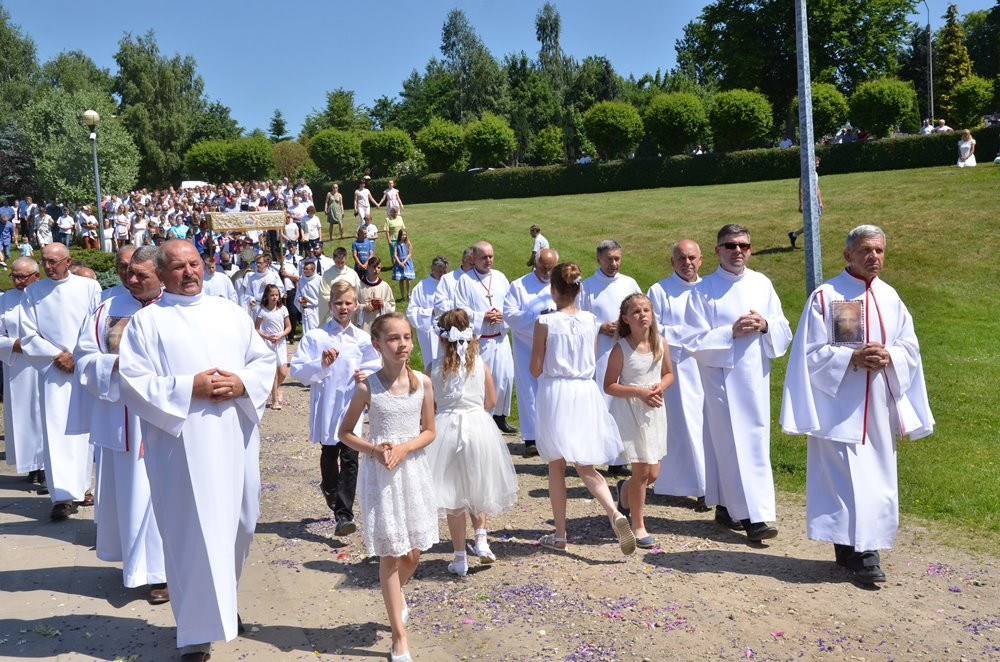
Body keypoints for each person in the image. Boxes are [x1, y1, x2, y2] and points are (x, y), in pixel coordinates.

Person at [118, 239, 276, 661]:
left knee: (243, 521)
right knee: (191, 533)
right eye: (179, 267)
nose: (190, 273)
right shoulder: (147, 323)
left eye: (195, 264)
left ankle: (223, 604)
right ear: (163, 274)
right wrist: (191, 387)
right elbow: (133, 383)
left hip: (234, 436)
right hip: (181, 447)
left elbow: (262, 360)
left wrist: (242, 383)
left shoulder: (229, 312)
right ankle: (194, 633)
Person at [780, 225, 934, 585]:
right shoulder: (830, 296)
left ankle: (861, 547)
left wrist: (889, 355)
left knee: (874, 480)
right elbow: (812, 355)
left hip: (878, 407)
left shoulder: (891, 297)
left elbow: (910, 348)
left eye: (879, 251)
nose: (874, 257)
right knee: (844, 481)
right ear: (848, 254)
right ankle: (859, 552)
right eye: (866, 250)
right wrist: (852, 359)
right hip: (839, 408)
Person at [338, 312, 438, 662]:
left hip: (412, 472)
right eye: (394, 338)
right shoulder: (368, 386)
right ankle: (400, 637)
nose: (403, 344)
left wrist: (406, 447)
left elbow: (429, 430)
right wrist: (374, 449)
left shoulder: (422, 382)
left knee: (413, 552)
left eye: (407, 337)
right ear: (377, 344)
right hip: (381, 477)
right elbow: (345, 433)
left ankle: (396, 597)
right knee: (391, 554)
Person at [684, 224, 792, 542]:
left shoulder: (762, 283)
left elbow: (783, 326)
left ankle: (728, 507)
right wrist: (728, 332)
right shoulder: (702, 291)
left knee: (753, 444)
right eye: (730, 245)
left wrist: (766, 324)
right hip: (721, 378)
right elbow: (692, 339)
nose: (738, 251)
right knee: (731, 445)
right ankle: (753, 518)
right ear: (717, 250)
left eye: (744, 245)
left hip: (755, 377)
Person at [72, 246, 167, 601]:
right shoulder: (106, 310)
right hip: (124, 415)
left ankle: (162, 572)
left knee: (165, 492)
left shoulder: (177, 308)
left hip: (166, 414)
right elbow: (84, 357)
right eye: (126, 271)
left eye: (138, 272)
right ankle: (139, 564)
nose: (130, 279)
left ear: (160, 272)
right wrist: (115, 366)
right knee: (133, 492)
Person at [530, 262, 634, 556]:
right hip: (585, 390)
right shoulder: (591, 320)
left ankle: (561, 533)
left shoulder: (545, 323)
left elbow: (535, 368)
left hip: (557, 391)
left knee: (556, 464)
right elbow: (590, 355)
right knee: (585, 465)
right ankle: (614, 513)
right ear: (578, 289)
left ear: (553, 290)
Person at [425, 309, 518, 576]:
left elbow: (428, 406)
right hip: (478, 427)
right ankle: (482, 541)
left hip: (447, 429)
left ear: (441, 339)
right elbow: (491, 401)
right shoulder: (480, 364)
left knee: (453, 493)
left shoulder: (433, 368)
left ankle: (459, 557)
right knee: (478, 484)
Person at [291, 280, 381, 535]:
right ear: (330, 305)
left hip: (351, 404)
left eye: (348, 303)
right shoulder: (316, 337)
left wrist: (364, 374)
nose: (343, 308)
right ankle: (329, 488)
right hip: (329, 403)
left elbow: (375, 365)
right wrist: (321, 363)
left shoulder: (362, 338)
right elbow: (297, 369)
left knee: (351, 458)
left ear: (355, 306)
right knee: (330, 455)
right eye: (338, 303)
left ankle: (344, 515)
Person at [20, 243, 102, 520]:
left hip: (83, 366)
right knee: (57, 433)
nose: (48, 266)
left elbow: (96, 325)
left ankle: (85, 487)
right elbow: (28, 333)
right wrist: (56, 355)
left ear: (67, 261)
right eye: (44, 261)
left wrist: (78, 356)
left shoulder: (88, 287)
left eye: (54, 261)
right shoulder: (33, 291)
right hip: (54, 368)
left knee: (86, 431)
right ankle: (63, 496)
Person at [604, 293, 673, 549]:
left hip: (653, 411)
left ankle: (624, 492)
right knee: (642, 470)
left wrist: (658, 388)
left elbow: (668, 374)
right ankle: (638, 525)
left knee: (652, 473)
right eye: (636, 312)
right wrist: (639, 392)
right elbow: (609, 385)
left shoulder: (660, 343)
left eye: (646, 310)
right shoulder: (621, 348)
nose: (642, 315)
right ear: (625, 318)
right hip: (630, 411)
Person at [647, 240, 709, 510]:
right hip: (678, 368)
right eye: (681, 258)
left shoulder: (710, 289)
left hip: (709, 367)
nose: (688, 263)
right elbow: (653, 329)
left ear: (701, 260)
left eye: (692, 258)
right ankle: (692, 486)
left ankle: (711, 484)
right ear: (672, 262)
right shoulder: (659, 290)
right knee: (685, 427)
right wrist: (689, 335)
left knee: (710, 426)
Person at [579, 239, 641, 477]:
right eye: (609, 259)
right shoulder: (586, 287)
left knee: (624, 404)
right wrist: (599, 326)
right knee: (603, 403)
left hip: (626, 350)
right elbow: (578, 318)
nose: (614, 263)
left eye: (617, 258)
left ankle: (620, 458)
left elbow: (641, 309)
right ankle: (599, 454)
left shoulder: (629, 283)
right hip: (601, 352)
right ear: (598, 259)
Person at [453, 241, 517, 434]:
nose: (488, 260)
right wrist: (482, 316)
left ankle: (500, 417)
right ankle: (483, 418)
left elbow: (510, 303)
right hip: (481, 340)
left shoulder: (500, 277)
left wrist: (502, 315)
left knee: (505, 377)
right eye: (484, 257)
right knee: (482, 380)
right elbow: (460, 308)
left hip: (501, 337)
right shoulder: (465, 281)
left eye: (491, 256)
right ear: (474, 258)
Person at [503, 247, 557, 457]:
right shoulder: (519, 286)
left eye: (551, 268)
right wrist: (538, 317)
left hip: (554, 346)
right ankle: (532, 437)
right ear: (535, 263)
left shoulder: (560, 283)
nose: (547, 272)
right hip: (527, 345)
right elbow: (510, 314)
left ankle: (553, 435)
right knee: (529, 390)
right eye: (543, 267)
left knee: (554, 390)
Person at [0, 257, 45, 489]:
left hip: (47, 366)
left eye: (22, 277)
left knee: (45, 415)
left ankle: (47, 467)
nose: (17, 281)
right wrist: (12, 345)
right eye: (14, 276)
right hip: (17, 365)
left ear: (36, 276)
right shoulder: (5, 299)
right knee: (23, 415)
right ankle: (31, 463)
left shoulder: (46, 297)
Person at [406, 256, 450, 369]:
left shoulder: (450, 284)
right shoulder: (421, 287)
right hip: (430, 332)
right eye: (440, 271)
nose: (443, 274)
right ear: (432, 269)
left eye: (445, 271)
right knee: (433, 365)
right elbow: (411, 311)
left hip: (449, 331)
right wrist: (430, 312)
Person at [255, 283, 291, 409]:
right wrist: (267, 337)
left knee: (283, 372)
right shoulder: (263, 311)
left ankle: (275, 389)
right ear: (267, 296)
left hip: (280, 343)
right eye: (272, 295)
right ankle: (275, 400)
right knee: (274, 372)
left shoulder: (283, 309)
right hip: (268, 343)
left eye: (277, 295)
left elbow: (289, 327)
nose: (275, 297)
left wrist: (281, 335)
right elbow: (257, 328)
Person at [317, 246, 361, 325]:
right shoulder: (327, 274)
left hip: (349, 311)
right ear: (333, 259)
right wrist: (338, 303)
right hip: (333, 312)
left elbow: (357, 291)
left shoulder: (352, 274)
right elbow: (324, 293)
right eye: (337, 262)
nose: (340, 265)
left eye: (342, 262)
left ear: (346, 259)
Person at [789, 156, 823, 248]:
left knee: (813, 223)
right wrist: (801, 204)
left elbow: (817, 188)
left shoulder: (815, 174)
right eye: (816, 163)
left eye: (818, 163)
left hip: (815, 203)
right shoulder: (805, 174)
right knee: (811, 223)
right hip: (808, 202)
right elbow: (800, 190)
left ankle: (794, 235)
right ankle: (811, 244)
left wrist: (820, 202)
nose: (818, 164)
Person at [356, 257, 396, 331]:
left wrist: (383, 304)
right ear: (367, 268)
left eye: (378, 267)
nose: (376, 270)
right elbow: (352, 304)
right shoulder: (359, 285)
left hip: (380, 324)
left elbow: (392, 305)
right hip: (364, 325)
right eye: (373, 267)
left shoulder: (385, 286)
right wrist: (364, 307)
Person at [295, 259, 322, 334]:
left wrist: (313, 302)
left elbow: (323, 296)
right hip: (306, 310)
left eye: (307, 269)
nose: (304, 271)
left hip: (316, 310)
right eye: (304, 269)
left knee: (317, 332)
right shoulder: (301, 280)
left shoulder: (320, 280)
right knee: (306, 333)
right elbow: (298, 295)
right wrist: (300, 299)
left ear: (313, 269)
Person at [392, 229, 415, 301]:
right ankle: (402, 296)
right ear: (399, 235)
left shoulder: (408, 243)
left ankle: (408, 294)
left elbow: (410, 254)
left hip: (407, 262)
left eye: (405, 235)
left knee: (408, 279)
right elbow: (395, 254)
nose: (404, 236)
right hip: (399, 263)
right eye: (402, 235)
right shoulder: (396, 243)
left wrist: (404, 262)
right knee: (401, 280)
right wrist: (399, 263)